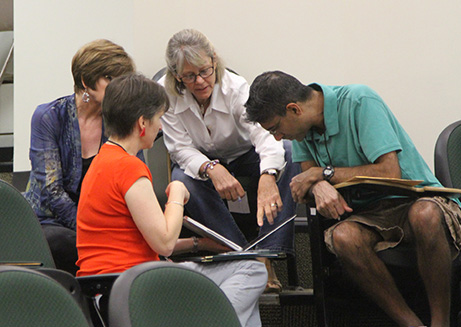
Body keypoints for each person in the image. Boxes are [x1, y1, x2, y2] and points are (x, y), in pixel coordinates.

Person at [245, 71, 461, 327]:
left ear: (294, 109)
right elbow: (307, 179)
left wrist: (325, 174)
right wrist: (317, 186)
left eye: (275, 129)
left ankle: (441, 324)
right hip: (371, 214)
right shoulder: (302, 131)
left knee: (424, 215)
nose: (277, 138)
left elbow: (388, 172)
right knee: (344, 237)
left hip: (420, 201)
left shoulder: (359, 100)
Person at [76, 74, 266, 327]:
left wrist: (199, 244)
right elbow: (164, 243)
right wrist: (176, 193)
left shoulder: (103, 161)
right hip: (134, 283)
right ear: (142, 122)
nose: (161, 128)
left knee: (246, 290)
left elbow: (132, 239)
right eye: (158, 119)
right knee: (252, 270)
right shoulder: (128, 167)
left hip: (109, 282)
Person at [159, 29, 300, 292]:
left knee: (290, 152)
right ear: (177, 76)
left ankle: (268, 251)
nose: (200, 81)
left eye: (205, 71)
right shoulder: (165, 95)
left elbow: (265, 136)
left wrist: (268, 175)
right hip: (203, 160)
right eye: (189, 76)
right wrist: (211, 168)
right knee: (181, 178)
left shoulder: (236, 87)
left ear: (214, 61)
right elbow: (179, 149)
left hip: (244, 155)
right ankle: (243, 253)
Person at [23, 39, 139, 276]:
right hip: (50, 220)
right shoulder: (49, 117)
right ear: (86, 82)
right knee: (64, 244)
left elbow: (132, 177)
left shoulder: (119, 120)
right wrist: (91, 231)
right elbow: (52, 191)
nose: (119, 90)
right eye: (111, 81)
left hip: (101, 222)